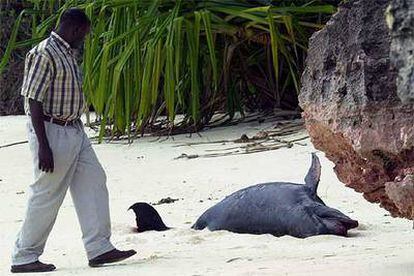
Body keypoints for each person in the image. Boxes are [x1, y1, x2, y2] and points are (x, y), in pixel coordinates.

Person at [11, 8, 136, 273]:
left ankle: (99, 248)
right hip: (52, 130)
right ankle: (24, 256)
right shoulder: (44, 53)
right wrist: (44, 146)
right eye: (85, 34)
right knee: (47, 194)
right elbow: (33, 100)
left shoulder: (67, 51)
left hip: (74, 129)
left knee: (94, 181)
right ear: (75, 29)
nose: (85, 39)